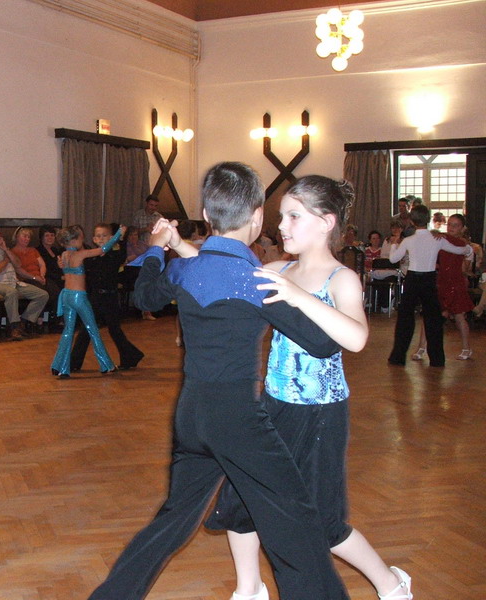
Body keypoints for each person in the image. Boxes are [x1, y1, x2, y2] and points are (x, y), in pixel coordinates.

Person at [87, 163, 347, 600]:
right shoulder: (256, 281)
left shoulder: (185, 271)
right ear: (258, 216)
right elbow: (323, 345)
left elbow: (145, 294)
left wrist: (158, 248)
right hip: (237, 419)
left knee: (174, 521)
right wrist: (299, 296)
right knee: (295, 518)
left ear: (207, 215)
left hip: (191, 415)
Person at [199, 176, 411, 600]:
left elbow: (356, 338)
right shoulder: (276, 270)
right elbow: (224, 273)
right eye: (281, 216)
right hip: (272, 407)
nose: (282, 226)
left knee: (323, 524)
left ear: (326, 222)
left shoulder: (341, 279)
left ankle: (391, 583)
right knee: (240, 499)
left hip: (319, 415)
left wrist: (297, 296)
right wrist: (179, 246)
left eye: (294, 216)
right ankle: (249, 589)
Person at [388, 204, 472, 367]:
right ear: (427, 220)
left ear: (412, 221)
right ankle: (437, 359)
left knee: (405, 319)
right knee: (433, 319)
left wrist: (394, 243)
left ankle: (398, 357)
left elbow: (393, 259)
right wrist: (469, 250)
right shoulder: (437, 239)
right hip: (429, 280)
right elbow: (460, 250)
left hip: (412, 280)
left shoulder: (408, 240)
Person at [50, 225, 122, 378]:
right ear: (74, 240)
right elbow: (103, 249)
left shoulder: (64, 255)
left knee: (68, 331)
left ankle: (60, 367)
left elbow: (64, 269)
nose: (82, 240)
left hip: (66, 296)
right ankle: (106, 365)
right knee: (93, 330)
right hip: (78, 297)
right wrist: (118, 235)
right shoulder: (80, 255)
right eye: (81, 238)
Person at [70, 223, 144, 371]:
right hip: (95, 298)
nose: (101, 238)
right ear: (94, 239)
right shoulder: (90, 257)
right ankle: (73, 363)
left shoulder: (114, 255)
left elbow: (122, 253)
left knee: (114, 330)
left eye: (104, 236)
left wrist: (120, 238)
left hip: (110, 298)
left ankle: (131, 355)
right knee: (86, 330)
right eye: (98, 236)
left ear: (111, 238)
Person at [411, 213, 474, 361]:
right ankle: (421, 348)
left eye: (456, 225)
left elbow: (465, 261)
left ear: (462, 228)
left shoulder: (463, 244)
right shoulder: (441, 240)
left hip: (456, 283)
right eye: (450, 224)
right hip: (441, 282)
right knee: (430, 315)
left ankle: (467, 348)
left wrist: (440, 236)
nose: (451, 228)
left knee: (459, 317)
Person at [0, 224, 49, 340]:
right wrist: (6, 260)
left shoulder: (2, 248)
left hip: (14, 282)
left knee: (42, 295)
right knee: (12, 292)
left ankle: (23, 322)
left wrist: (6, 249)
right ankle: (14, 327)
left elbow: (18, 264)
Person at [12, 226, 61, 325]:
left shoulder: (33, 250)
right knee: (41, 290)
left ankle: (57, 319)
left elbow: (42, 264)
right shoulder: (12, 252)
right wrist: (34, 277)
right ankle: (37, 320)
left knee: (55, 290)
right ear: (17, 237)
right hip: (25, 279)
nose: (27, 239)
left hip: (39, 277)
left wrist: (42, 276)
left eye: (28, 237)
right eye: (24, 236)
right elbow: (19, 270)